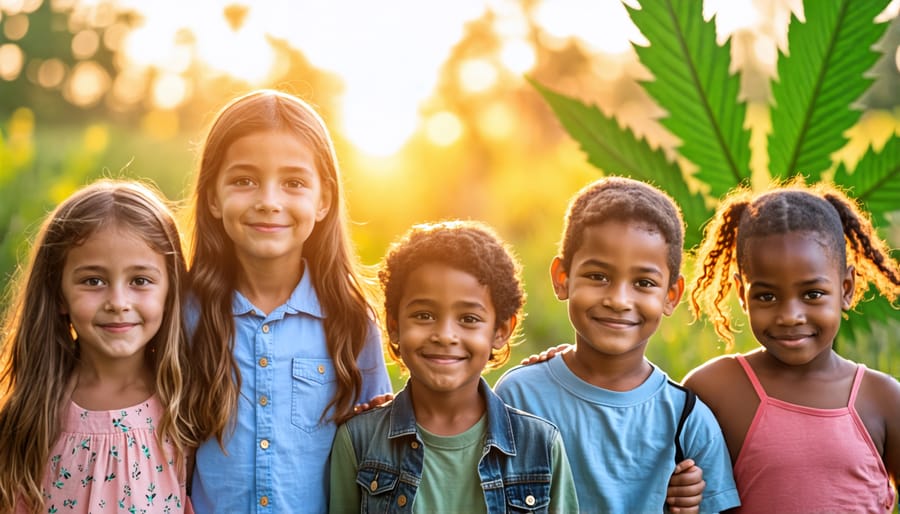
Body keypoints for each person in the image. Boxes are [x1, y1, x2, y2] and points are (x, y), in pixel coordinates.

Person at [185, 89, 392, 513]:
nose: (269, 201)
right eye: (244, 180)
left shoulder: (351, 321)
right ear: (212, 197)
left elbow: (380, 450)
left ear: (323, 200)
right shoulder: (184, 315)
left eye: (294, 183)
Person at [494, 177, 740, 513]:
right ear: (562, 277)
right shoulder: (519, 398)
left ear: (671, 295)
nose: (619, 300)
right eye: (598, 276)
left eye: (643, 282)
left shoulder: (687, 421)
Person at [329, 220, 579, 513]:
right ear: (393, 325)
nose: (446, 335)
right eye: (424, 315)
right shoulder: (358, 441)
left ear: (501, 330)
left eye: (469, 319)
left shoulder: (541, 445)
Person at [683, 181, 899, 512]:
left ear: (846, 288)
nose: (790, 316)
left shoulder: (883, 399)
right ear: (742, 294)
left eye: (812, 294)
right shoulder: (714, 391)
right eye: (766, 296)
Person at [0, 180, 199, 514]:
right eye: (93, 281)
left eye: (140, 281)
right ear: (59, 292)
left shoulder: (184, 403)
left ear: (170, 289)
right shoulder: (35, 409)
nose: (118, 302)